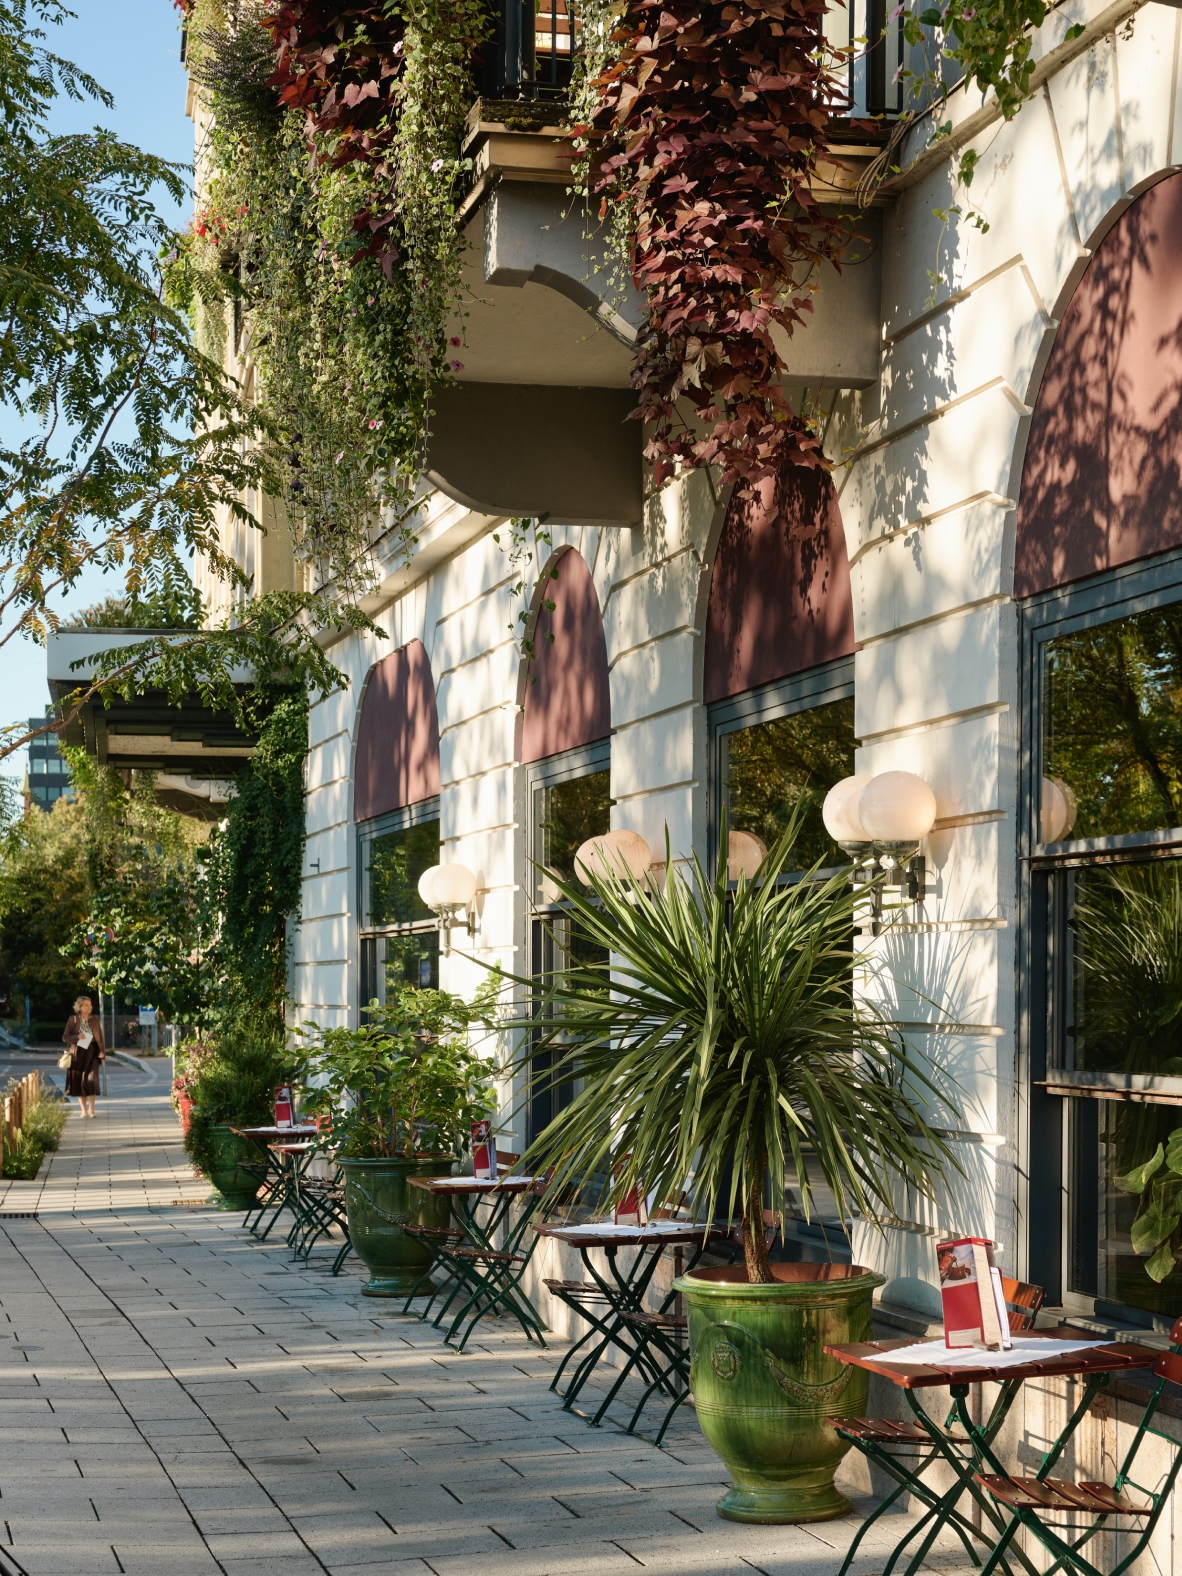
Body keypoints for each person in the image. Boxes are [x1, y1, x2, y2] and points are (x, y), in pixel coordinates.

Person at [62, 996, 105, 1117]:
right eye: (86, 1005)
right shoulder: (73, 1020)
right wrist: (77, 1036)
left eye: (90, 1005)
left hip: (92, 1052)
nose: (89, 1007)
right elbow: (65, 1037)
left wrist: (102, 1053)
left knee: (92, 1080)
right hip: (77, 1053)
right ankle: (83, 1111)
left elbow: (100, 1038)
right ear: (79, 1007)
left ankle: (91, 1109)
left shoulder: (95, 1020)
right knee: (79, 1081)